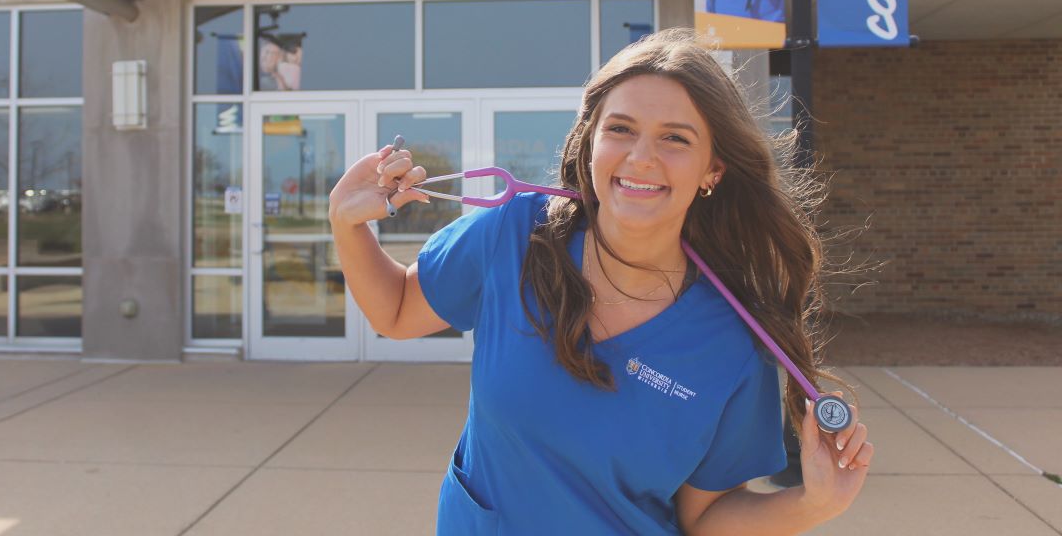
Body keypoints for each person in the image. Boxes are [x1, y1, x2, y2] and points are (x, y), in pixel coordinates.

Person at [328, 29, 872, 534]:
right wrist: (345, 223)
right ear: (590, 141)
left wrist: (814, 504)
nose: (641, 157)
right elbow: (397, 309)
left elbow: (704, 519)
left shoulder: (732, 344)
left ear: (713, 170)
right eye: (621, 129)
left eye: (676, 139)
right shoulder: (515, 234)